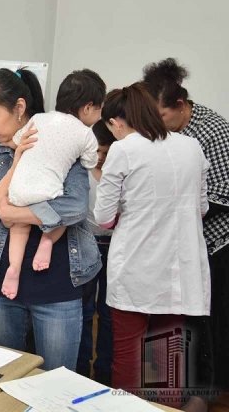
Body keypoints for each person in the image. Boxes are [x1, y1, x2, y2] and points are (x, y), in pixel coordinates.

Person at [0, 67, 102, 371]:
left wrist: (13, 213)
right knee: (6, 377)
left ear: (20, 107)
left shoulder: (61, 141)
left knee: (57, 379)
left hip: (59, 282)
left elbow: (75, 207)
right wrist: (14, 166)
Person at [94, 83, 210, 396]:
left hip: (136, 265)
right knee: (169, 358)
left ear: (116, 123)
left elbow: (103, 217)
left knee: (129, 357)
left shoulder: (124, 148)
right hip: (178, 269)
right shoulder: (191, 146)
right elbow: (202, 208)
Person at [142, 58, 229, 402]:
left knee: (210, 323)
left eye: (162, 117)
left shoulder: (214, 130)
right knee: (179, 321)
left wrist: (178, 214)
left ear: (180, 106)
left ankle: (208, 391)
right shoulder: (160, 130)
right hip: (172, 245)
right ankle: (177, 388)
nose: (158, 126)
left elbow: (225, 192)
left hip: (214, 244)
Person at [2, 69, 102, 300]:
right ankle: (47, 241)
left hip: (18, 189)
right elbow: (89, 161)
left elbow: (18, 141)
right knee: (61, 215)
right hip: (49, 193)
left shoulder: (38, 119)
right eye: (99, 109)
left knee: (19, 227)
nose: (99, 116)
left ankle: (13, 267)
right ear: (87, 108)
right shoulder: (86, 134)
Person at [76, 120, 116, 386]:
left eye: (107, 151)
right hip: (86, 243)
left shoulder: (122, 171)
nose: (100, 158)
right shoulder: (81, 170)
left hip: (116, 246)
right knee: (84, 311)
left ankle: (105, 373)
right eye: (97, 151)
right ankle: (80, 373)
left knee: (110, 313)